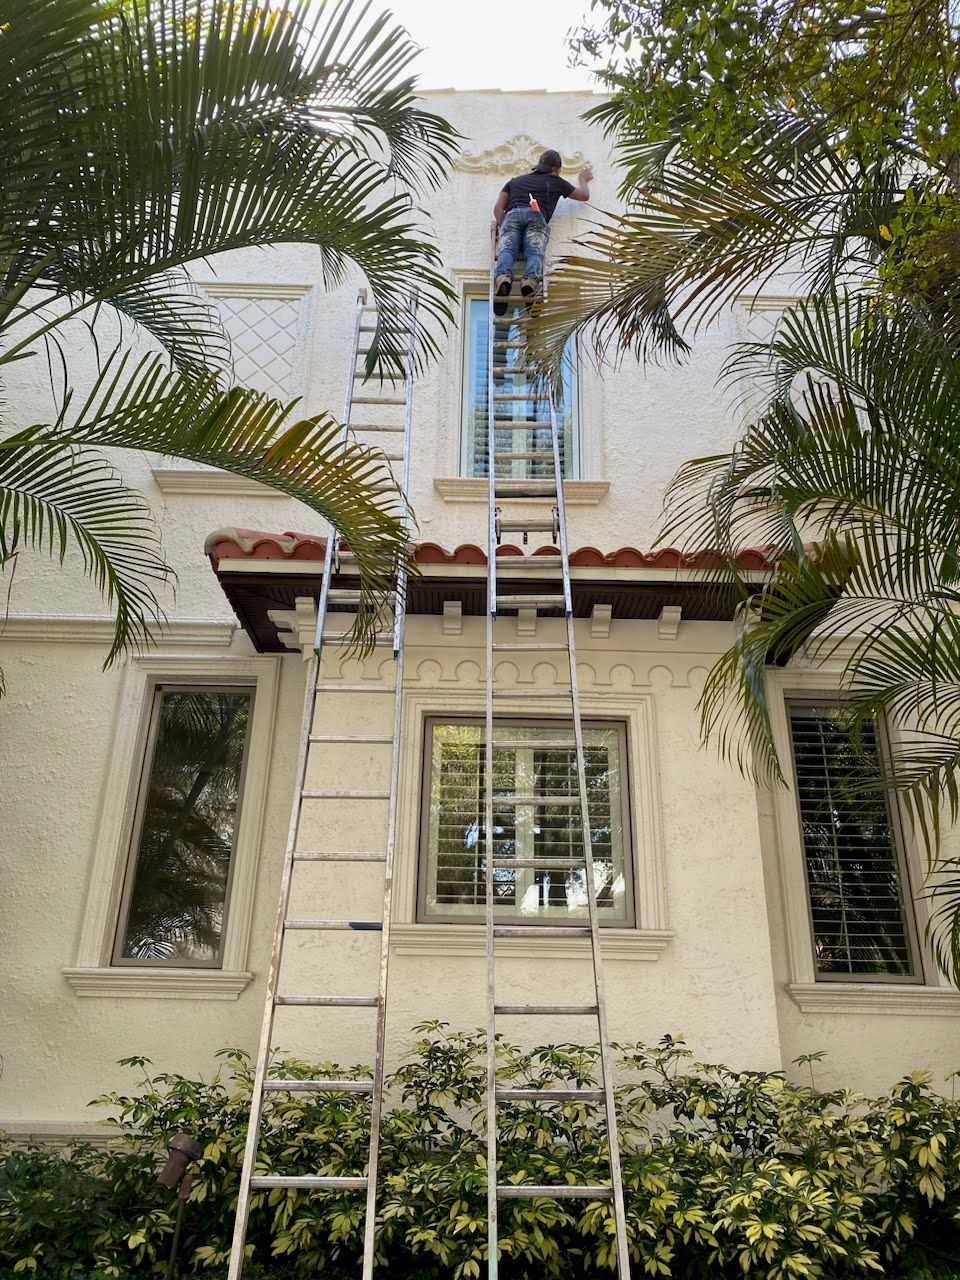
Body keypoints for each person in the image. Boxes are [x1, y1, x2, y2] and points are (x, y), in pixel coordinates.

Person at [492, 149, 592, 314]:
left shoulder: (514, 182)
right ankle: (529, 282)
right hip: (536, 217)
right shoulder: (555, 181)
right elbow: (584, 196)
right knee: (535, 252)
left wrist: (504, 227)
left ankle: (503, 278)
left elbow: (498, 208)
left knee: (507, 250)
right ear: (554, 169)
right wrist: (583, 179)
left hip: (512, 216)